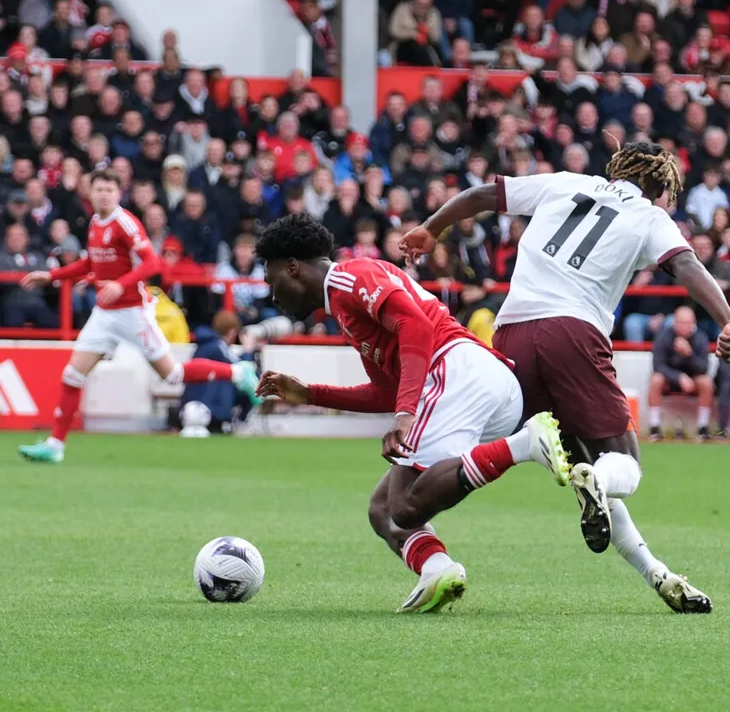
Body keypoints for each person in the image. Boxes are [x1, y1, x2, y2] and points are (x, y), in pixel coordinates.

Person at [401, 141, 730, 614]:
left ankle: (658, 575)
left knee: (584, 467)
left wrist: (430, 228)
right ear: (658, 187)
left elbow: (483, 195)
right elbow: (685, 265)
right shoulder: (649, 214)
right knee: (622, 466)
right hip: (574, 335)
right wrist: (729, 321)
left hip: (512, 335)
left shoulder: (564, 183)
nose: (671, 205)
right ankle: (594, 480)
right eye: (671, 195)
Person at [252, 213, 570, 614]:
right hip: (476, 382)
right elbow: (387, 388)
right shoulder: (346, 311)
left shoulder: (351, 277)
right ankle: (438, 569)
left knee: (403, 505)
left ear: (293, 267)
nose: (272, 293)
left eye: (271, 279)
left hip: (456, 370)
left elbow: (415, 326)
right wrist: (311, 393)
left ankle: (524, 446)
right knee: (382, 509)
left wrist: (406, 414)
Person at [16, 170, 261, 464]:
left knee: (172, 374)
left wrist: (120, 284)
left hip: (133, 312)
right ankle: (56, 445)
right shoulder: (95, 223)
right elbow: (90, 262)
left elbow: (152, 262)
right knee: (72, 375)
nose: (104, 194)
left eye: (110, 189)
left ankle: (238, 372)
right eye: (99, 189)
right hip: (104, 315)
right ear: (90, 192)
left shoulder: (125, 223)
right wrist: (53, 275)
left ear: (118, 194)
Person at [647, 306, 713, 441]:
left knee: (706, 382)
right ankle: (654, 427)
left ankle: (703, 427)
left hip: (693, 379)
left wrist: (689, 354)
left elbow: (704, 368)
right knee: (655, 380)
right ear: (674, 322)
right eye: (681, 323)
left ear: (693, 323)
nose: (684, 326)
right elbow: (657, 365)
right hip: (669, 379)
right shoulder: (663, 336)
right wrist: (679, 377)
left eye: (688, 323)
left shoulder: (700, 337)